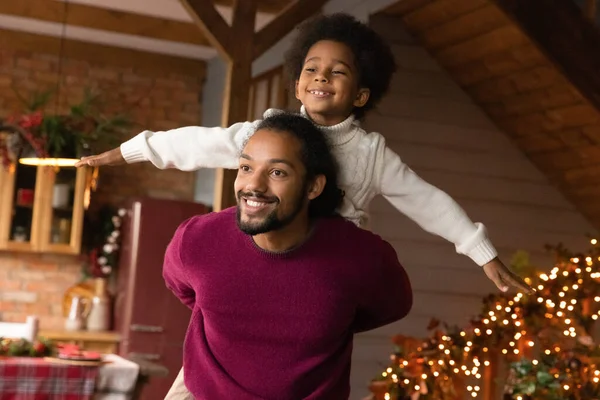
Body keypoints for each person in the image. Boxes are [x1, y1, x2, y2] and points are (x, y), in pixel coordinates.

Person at [76, 13, 533, 295]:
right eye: (311, 69)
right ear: (297, 83)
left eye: (338, 73)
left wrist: (481, 252)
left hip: (323, 272)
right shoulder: (265, 131)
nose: (321, 77)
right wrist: (129, 152)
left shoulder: (371, 154)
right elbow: (197, 142)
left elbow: (426, 200)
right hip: (264, 255)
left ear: (360, 95)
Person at [163, 113, 412, 399]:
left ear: (312, 187)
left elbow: (393, 305)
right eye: (245, 167)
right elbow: (183, 287)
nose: (253, 185)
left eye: (277, 172)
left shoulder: (362, 257)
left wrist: (329, 318)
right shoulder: (197, 239)